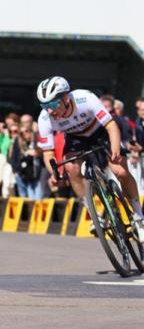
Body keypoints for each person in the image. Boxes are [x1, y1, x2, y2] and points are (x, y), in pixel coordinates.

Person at [37, 76, 144, 241]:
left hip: (101, 132)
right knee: (70, 167)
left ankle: (138, 215)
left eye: (52, 104)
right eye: (45, 106)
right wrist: (55, 173)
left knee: (120, 171)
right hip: (77, 139)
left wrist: (116, 148)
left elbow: (111, 126)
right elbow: (48, 153)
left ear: (65, 98)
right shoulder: (45, 118)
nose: (50, 111)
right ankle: (94, 214)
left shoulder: (85, 99)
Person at [10, 125, 43, 199]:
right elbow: (14, 158)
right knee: (30, 198)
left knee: (38, 198)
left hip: (39, 174)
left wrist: (37, 153)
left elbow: (45, 154)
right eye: (22, 133)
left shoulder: (37, 140)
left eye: (26, 131)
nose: (24, 134)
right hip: (27, 175)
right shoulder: (22, 144)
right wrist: (16, 171)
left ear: (31, 131)